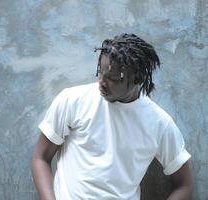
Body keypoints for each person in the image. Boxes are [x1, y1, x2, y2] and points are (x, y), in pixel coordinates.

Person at [31, 33, 193, 200]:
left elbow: (183, 185)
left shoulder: (159, 124)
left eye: (112, 78)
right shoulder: (73, 101)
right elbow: (40, 158)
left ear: (137, 77)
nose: (101, 82)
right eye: (100, 72)